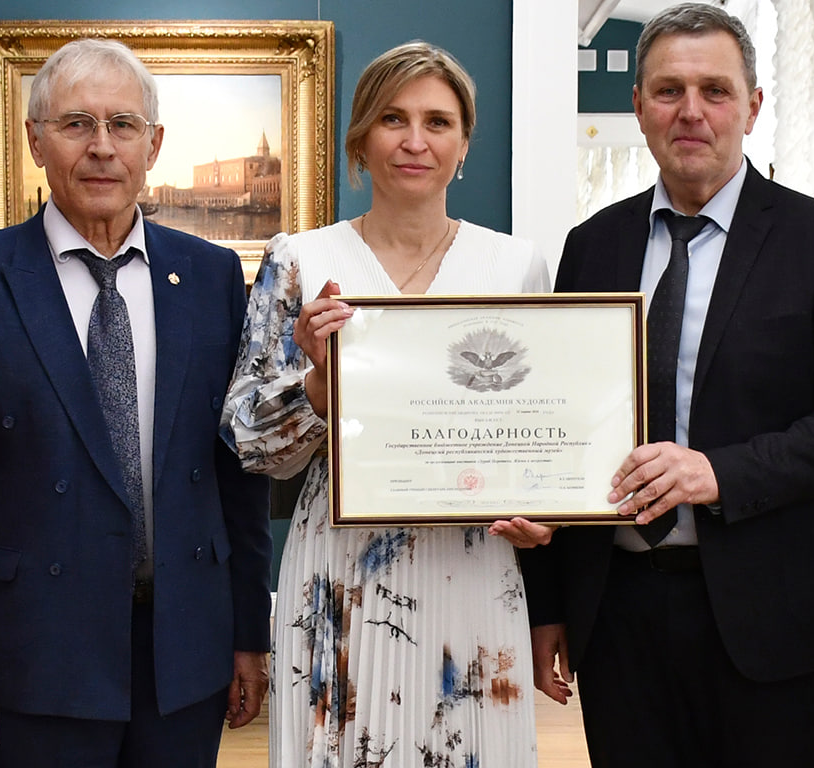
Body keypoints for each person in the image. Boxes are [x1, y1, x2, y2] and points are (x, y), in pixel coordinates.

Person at [512, 4, 814, 767]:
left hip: (780, 620)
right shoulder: (593, 246)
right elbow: (559, 421)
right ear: (639, 106)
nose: (690, 110)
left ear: (752, 107)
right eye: (668, 90)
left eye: (715, 90)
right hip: (618, 618)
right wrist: (549, 604)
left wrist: (719, 472)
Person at [0, 39, 272, 768]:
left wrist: (247, 634)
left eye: (123, 125)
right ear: (35, 140)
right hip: (38, 654)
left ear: (153, 145)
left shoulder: (211, 277)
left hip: (184, 653)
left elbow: (239, 473)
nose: (102, 147)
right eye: (76, 124)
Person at [222, 41, 551, 768]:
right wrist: (317, 385)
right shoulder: (300, 259)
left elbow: (538, 429)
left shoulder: (515, 264)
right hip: (339, 570)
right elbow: (248, 442)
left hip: (473, 564)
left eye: (438, 122)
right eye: (393, 118)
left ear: (464, 145)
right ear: (360, 141)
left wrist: (545, 507)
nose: (414, 140)